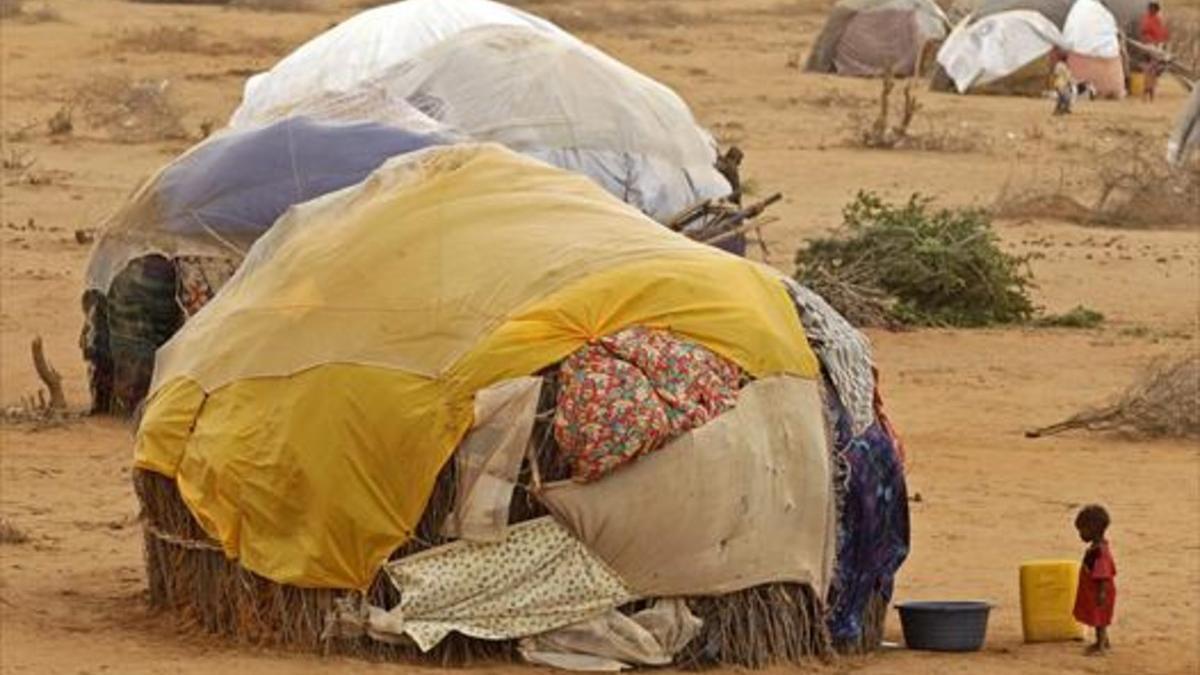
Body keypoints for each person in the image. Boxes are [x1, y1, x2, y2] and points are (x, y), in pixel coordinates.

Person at [1073, 504, 1117, 655]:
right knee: (1099, 619)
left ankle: (1101, 645)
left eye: (1082, 531)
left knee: (1100, 620)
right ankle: (1103, 642)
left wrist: (1102, 594)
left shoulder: (1099, 552)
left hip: (1099, 591)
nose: (1080, 535)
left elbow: (1104, 575)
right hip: (1095, 590)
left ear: (1093, 530)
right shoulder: (1096, 547)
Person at [1139, 2, 1169, 101]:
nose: (1151, 11)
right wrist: (1152, 42)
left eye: (1153, 9)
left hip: (1157, 48)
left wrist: (1160, 44)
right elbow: (1144, 33)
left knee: (1153, 71)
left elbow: (1163, 34)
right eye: (1150, 9)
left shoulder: (1157, 20)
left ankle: (1150, 91)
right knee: (1149, 71)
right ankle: (1146, 91)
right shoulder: (1147, 19)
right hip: (1150, 48)